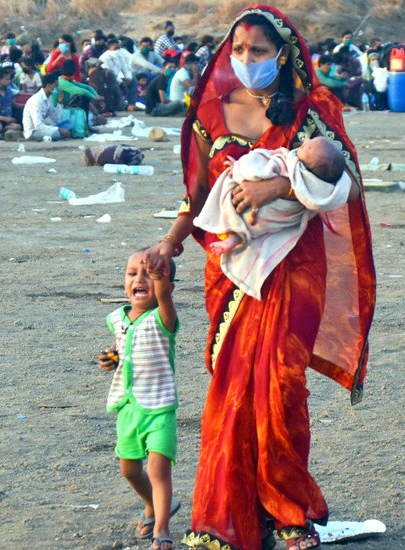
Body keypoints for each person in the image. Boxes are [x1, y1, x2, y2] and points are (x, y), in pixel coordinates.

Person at [143, 6, 375, 550]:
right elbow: (197, 196)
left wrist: (278, 188)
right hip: (230, 269)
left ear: (285, 55)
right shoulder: (214, 113)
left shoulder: (313, 110)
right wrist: (169, 243)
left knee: (281, 385)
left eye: (260, 51)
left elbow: (351, 184)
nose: (247, 60)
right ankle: (227, 516)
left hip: (295, 265)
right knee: (232, 386)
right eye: (240, 50)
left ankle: (288, 511)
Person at [194, 137, 350, 299]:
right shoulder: (207, 114)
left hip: (296, 259)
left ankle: (236, 235)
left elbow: (349, 190)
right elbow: (197, 187)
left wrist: (279, 187)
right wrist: (171, 241)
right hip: (258, 222)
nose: (305, 140)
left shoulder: (296, 155)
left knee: (251, 219)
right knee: (249, 220)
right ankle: (236, 235)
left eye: (308, 146)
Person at [99, 249, 181, 550]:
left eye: (150, 274)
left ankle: (162, 527)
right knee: (129, 469)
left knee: (159, 469)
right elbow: (120, 348)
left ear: (167, 286)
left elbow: (164, 298)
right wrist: (110, 359)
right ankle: (153, 504)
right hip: (128, 407)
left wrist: (159, 276)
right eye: (132, 273)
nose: (140, 279)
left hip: (160, 408)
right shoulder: (117, 319)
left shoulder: (164, 317)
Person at [22, 71, 70, 141]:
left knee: (69, 124)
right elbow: (38, 125)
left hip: (45, 126)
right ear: (48, 86)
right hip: (33, 131)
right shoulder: (37, 100)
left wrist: (59, 102)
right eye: (56, 85)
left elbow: (55, 119)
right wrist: (57, 129)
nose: (57, 88)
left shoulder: (49, 98)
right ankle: (44, 138)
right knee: (56, 133)